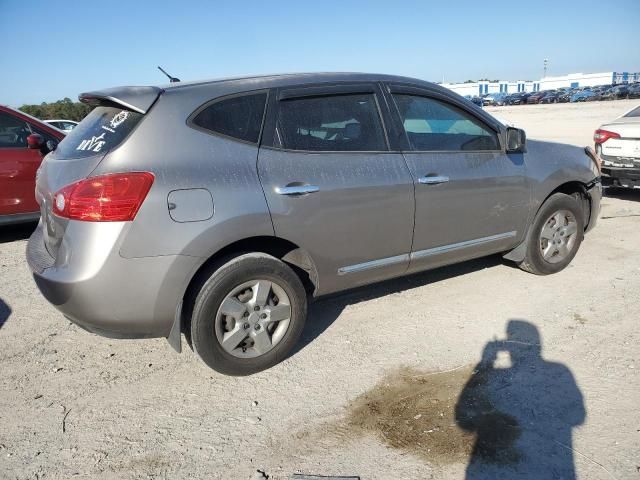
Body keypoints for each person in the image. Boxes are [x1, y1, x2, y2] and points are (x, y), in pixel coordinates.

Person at [456, 320, 585, 479]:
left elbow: (464, 424)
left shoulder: (559, 370)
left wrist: (487, 361)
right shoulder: (560, 370)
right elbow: (578, 416)